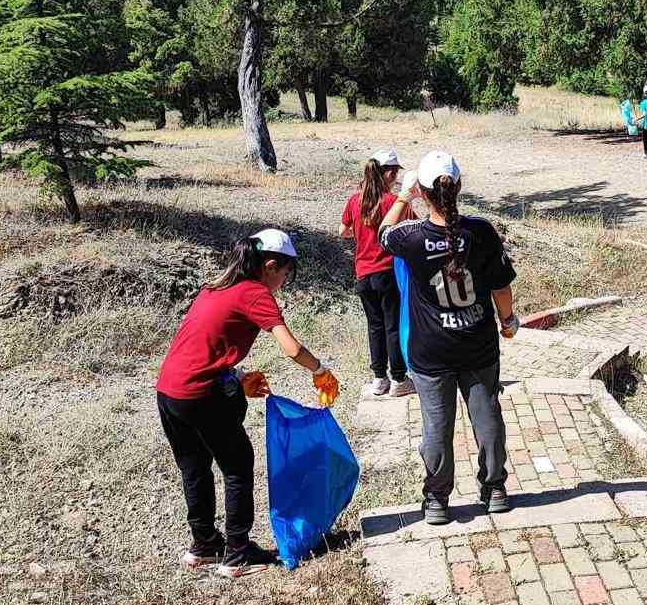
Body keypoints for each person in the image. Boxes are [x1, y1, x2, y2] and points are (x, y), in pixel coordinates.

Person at [154, 229, 341, 578]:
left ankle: (203, 544)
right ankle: (237, 554)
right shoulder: (255, 293)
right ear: (270, 265)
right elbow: (291, 347)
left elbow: (203, 345)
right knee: (238, 466)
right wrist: (320, 370)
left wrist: (237, 377)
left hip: (169, 391)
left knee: (194, 467)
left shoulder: (216, 287)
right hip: (200, 394)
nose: (285, 280)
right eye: (286, 273)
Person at [379, 151, 519, 526]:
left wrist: (403, 197)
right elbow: (501, 287)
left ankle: (438, 499)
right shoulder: (482, 232)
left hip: (431, 350)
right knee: (487, 416)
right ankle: (496, 489)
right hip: (478, 345)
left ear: (424, 192)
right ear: (457, 187)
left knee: (436, 426)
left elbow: (383, 234)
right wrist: (507, 320)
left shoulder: (411, 237)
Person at [341, 149, 416, 399]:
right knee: (391, 325)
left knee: (374, 327)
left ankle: (378, 378)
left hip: (363, 274)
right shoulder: (392, 203)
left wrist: (362, 236)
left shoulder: (355, 200)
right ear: (390, 174)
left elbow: (343, 231)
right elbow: (414, 226)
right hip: (387, 272)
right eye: (395, 173)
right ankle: (398, 379)